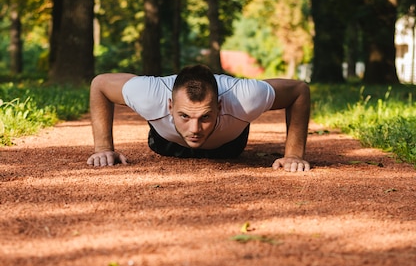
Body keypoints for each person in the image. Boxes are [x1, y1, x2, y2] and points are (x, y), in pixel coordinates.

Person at [87, 64, 311, 172]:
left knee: (224, 153)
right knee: (164, 144)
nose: (195, 129)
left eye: (204, 117)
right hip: (167, 142)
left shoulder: (245, 97)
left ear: (220, 106)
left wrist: (293, 155)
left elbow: (299, 90)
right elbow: (100, 85)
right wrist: (103, 148)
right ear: (170, 105)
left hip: (228, 145)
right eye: (184, 116)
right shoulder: (149, 94)